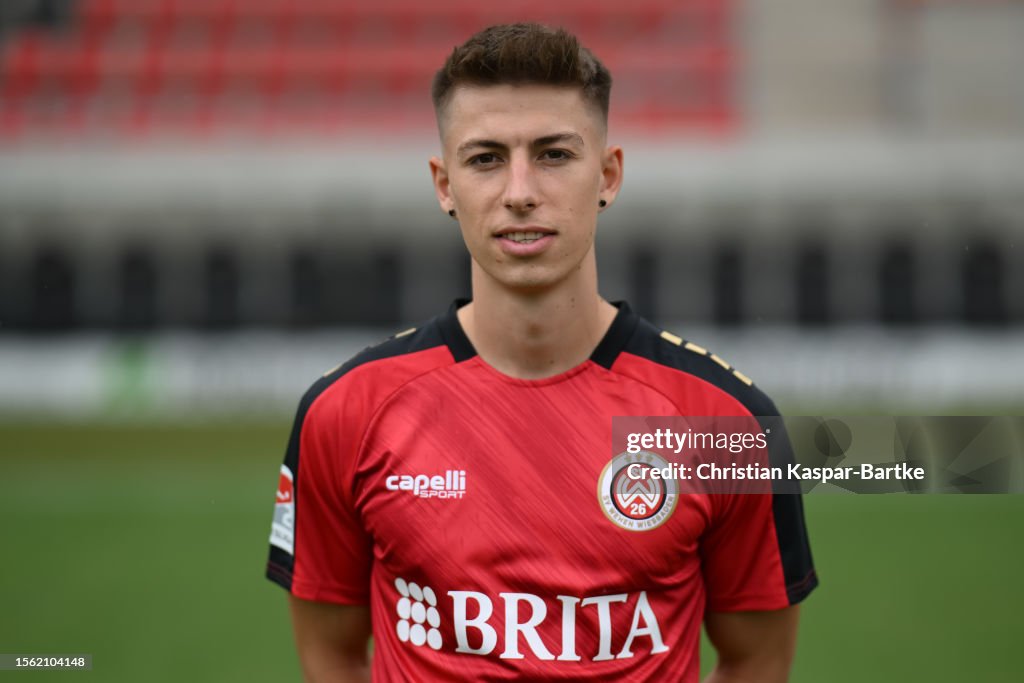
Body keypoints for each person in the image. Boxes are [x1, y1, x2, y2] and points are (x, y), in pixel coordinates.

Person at [266, 22, 816, 682]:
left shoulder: (727, 425)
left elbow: (757, 659)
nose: (520, 190)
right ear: (444, 184)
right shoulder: (345, 413)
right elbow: (330, 652)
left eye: (554, 154)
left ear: (608, 174)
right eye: (485, 158)